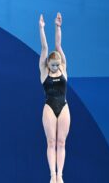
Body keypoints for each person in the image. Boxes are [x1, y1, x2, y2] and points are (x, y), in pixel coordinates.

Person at [39, 13, 70, 183]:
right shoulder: (44, 72)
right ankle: (52, 175)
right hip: (49, 107)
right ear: (47, 65)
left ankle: (60, 175)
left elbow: (58, 45)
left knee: (61, 142)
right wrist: (42, 29)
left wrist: (58, 27)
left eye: (57, 64)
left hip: (64, 106)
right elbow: (45, 48)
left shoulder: (63, 68)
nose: (56, 67)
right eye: (53, 65)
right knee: (51, 142)